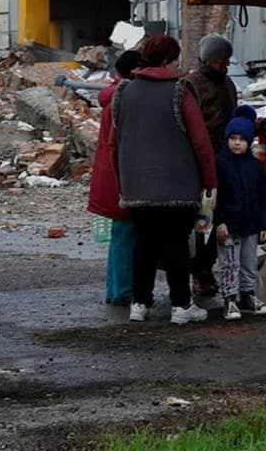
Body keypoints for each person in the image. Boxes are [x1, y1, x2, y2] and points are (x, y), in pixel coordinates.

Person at [111, 34, 217, 325]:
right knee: (176, 245)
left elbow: (113, 143)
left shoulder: (123, 91)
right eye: (175, 59)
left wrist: (123, 181)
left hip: (137, 187)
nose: (178, 65)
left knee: (144, 244)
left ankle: (139, 303)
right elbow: (200, 142)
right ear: (167, 61)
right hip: (177, 185)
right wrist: (210, 181)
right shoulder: (180, 91)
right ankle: (181, 305)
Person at [186, 33, 241, 302]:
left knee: (225, 219)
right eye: (222, 60)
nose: (226, 65)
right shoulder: (191, 84)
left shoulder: (227, 83)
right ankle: (201, 272)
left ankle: (225, 271)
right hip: (202, 165)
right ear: (209, 59)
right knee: (204, 223)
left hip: (227, 162)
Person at [87, 47, 142, 306]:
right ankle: (121, 291)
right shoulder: (121, 100)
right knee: (125, 233)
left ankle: (115, 289)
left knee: (121, 235)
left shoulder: (112, 96)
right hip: (119, 177)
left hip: (109, 175)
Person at [213, 114, 266, 320]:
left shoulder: (256, 166)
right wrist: (219, 220)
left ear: (249, 141)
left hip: (251, 223)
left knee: (249, 262)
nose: (237, 142)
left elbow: (265, 196)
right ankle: (229, 299)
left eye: (241, 139)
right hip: (229, 224)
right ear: (227, 140)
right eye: (233, 138)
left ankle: (248, 295)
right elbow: (215, 197)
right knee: (229, 263)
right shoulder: (220, 164)